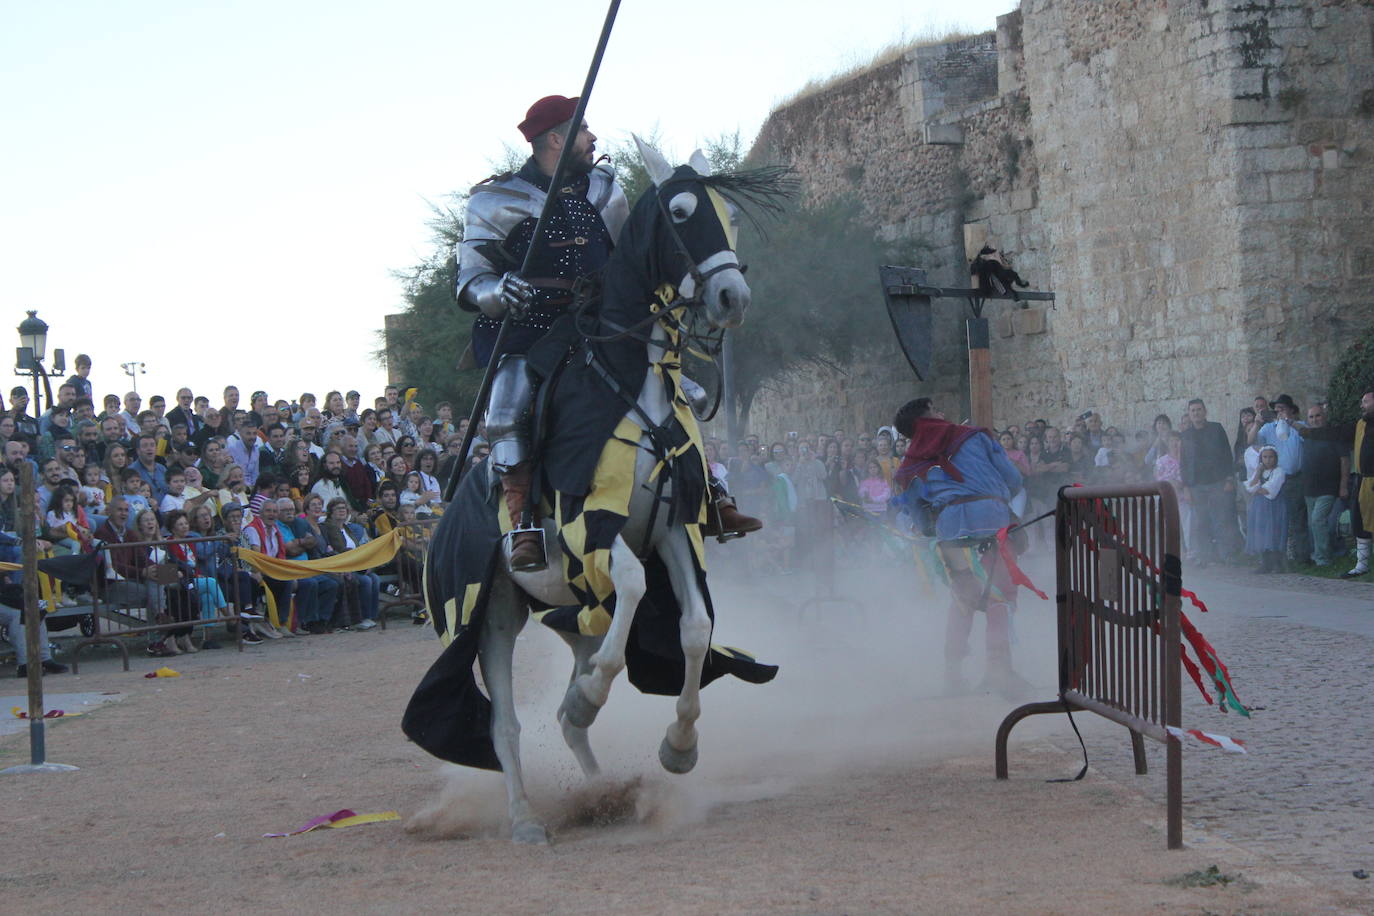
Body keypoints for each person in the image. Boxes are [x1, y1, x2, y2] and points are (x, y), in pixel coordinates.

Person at [892, 397, 1027, 699]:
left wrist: (936, 522)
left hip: (950, 530)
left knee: (963, 602)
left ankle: (953, 676)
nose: (943, 413)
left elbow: (920, 516)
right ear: (928, 418)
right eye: (937, 410)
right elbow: (1014, 478)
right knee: (999, 598)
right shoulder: (974, 437)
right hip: (992, 521)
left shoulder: (910, 463)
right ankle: (999, 672)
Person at [1180, 398, 1241, 566]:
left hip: (1217, 482)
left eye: (1199, 409)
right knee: (1200, 522)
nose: (1196, 413)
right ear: (1189, 414)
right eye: (1193, 410)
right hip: (1196, 485)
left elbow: (1227, 454)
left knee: (1222, 519)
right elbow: (1183, 463)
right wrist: (1185, 488)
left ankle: (1226, 555)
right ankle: (1204, 557)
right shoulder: (1185, 435)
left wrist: (1229, 478)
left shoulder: (1216, 429)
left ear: (1205, 411)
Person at [1300, 402, 1345, 568]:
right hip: (1309, 488)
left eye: (1318, 415)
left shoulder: (1333, 435)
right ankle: (1318, 554)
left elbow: (1344, 460)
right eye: (1311, 417)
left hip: (1328, 487)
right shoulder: (1307, 436)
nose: (1315, 419)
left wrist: (1343, 485)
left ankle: (1324, 559)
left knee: (1318, 520)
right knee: (1313, 524)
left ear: (1324, 417)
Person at [1244, 446, 1287, 573]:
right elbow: (1250, 486)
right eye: (1265, 457)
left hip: (1274, 505)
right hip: (1259, 505)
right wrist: (1258, 472)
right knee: (1261, 531)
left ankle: (1277, 563)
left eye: (1271, 457)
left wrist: (1256, 489)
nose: (1268, 460)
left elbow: (1271, 490)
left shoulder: (1279, 471)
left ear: (1276, 458)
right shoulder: (1260, 471)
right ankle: (1265, 563)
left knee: (1273, 531)